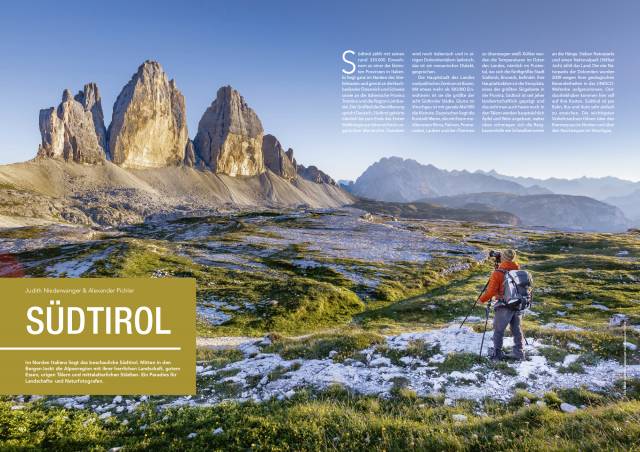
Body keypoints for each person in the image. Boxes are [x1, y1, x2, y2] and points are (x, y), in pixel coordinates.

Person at [479, 249, 525, 361]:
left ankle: (497, 355)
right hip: (518, 304)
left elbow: (490, 292)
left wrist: (481, 300)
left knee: (498, 330)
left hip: (504, 306)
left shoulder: (498, 273)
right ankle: (519, 353)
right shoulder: (518, 271)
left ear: (503, 258)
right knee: (517, 329)